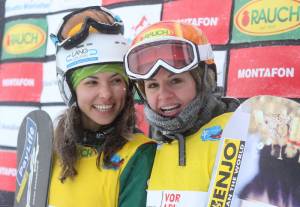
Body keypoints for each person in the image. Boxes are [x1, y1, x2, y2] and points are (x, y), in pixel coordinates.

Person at [47, 6, 156, 207]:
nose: (106, 94)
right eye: (91, 82)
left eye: (116, 81)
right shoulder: (49, 149)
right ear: (70, 90)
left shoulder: (139, 154)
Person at [124, 21, 239, 206]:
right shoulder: (152, 149)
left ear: (204, 80)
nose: (164, 96)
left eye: (176, 80)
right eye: (153, 85)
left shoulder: (238, 132)